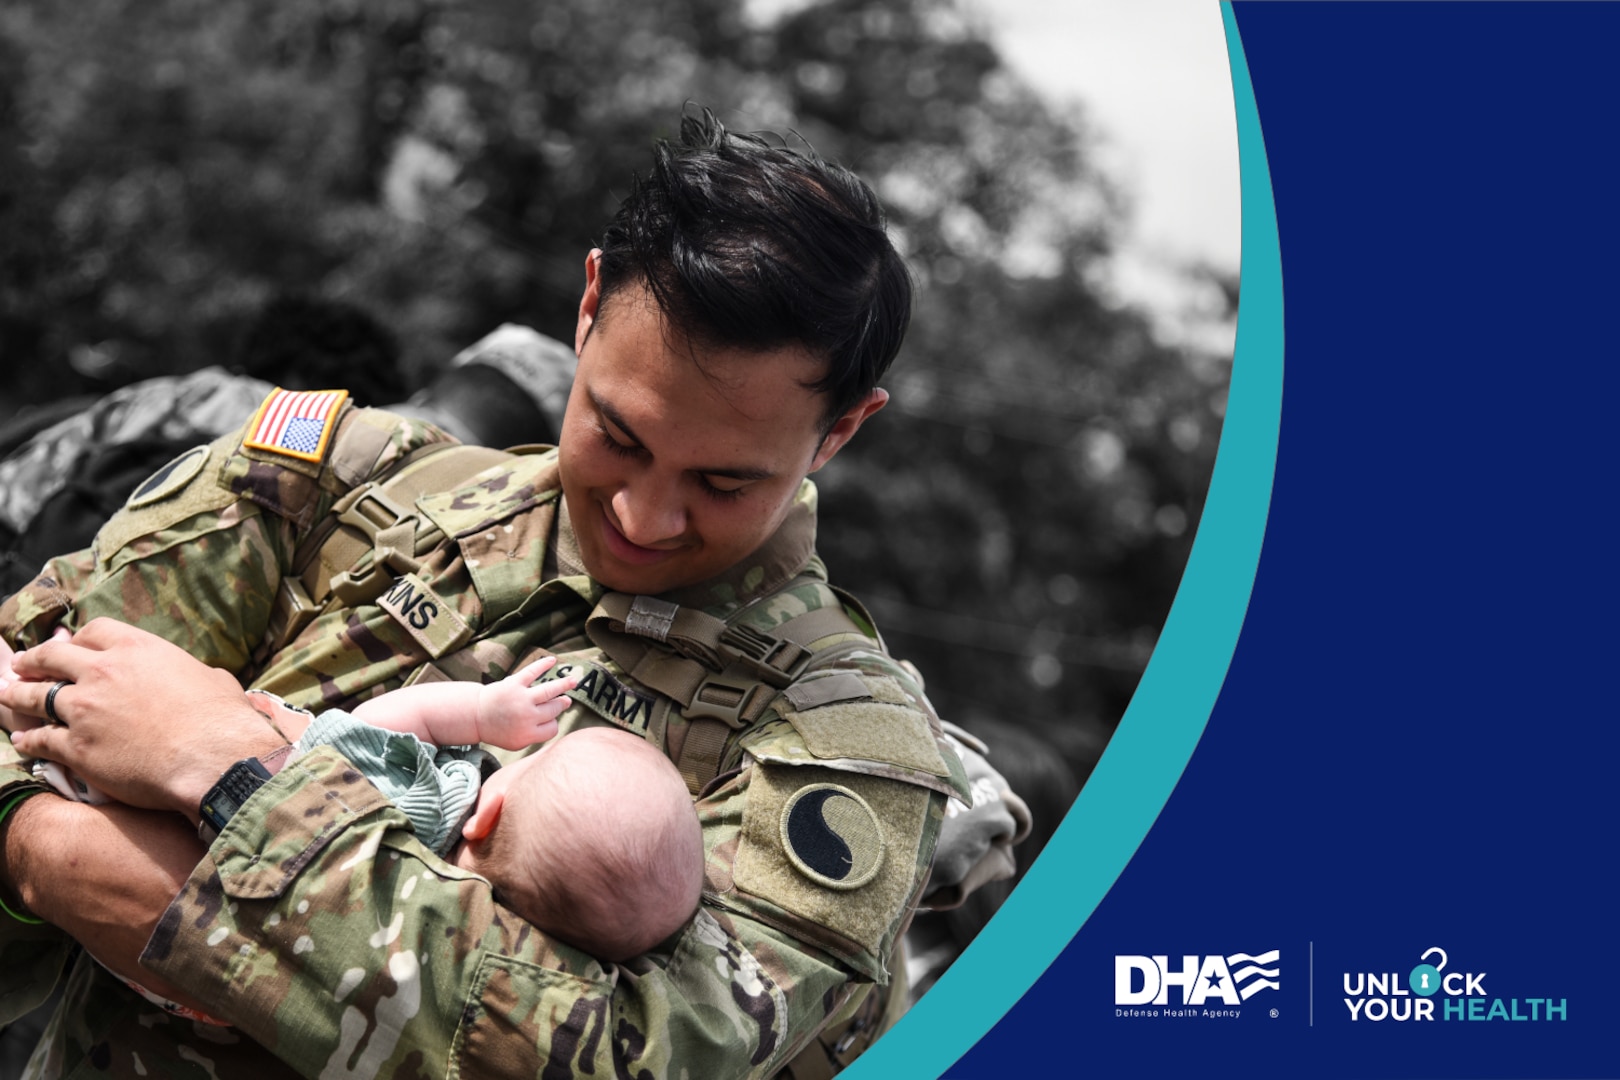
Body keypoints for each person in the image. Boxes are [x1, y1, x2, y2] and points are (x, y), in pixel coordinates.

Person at [0, 106, 970, 1080]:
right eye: (618, 436)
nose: (643, 513)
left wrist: (227, 775)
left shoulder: (842, 749)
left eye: (724, 482)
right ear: (587, 309)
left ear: (840, 431)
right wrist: (45, 843)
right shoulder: (324, 487)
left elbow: (624, 1060)